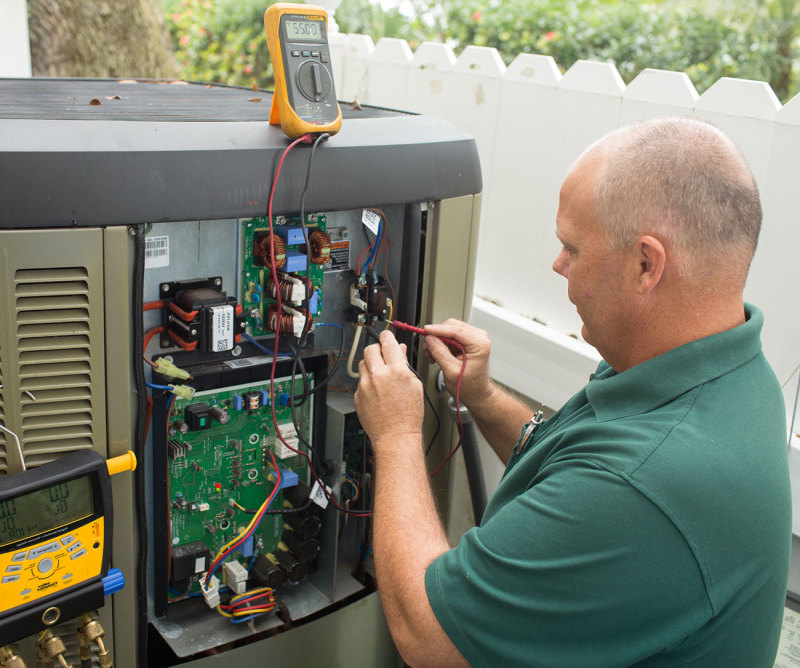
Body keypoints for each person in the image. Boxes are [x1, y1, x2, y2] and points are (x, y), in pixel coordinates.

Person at [354, 117, 792, 667]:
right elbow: (575, 468)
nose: (557, 265)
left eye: (572, 248)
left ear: (645, 264)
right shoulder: (723, 369)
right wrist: (485, 398)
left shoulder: (644, 485)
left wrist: (395, 434)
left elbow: (427, 634)